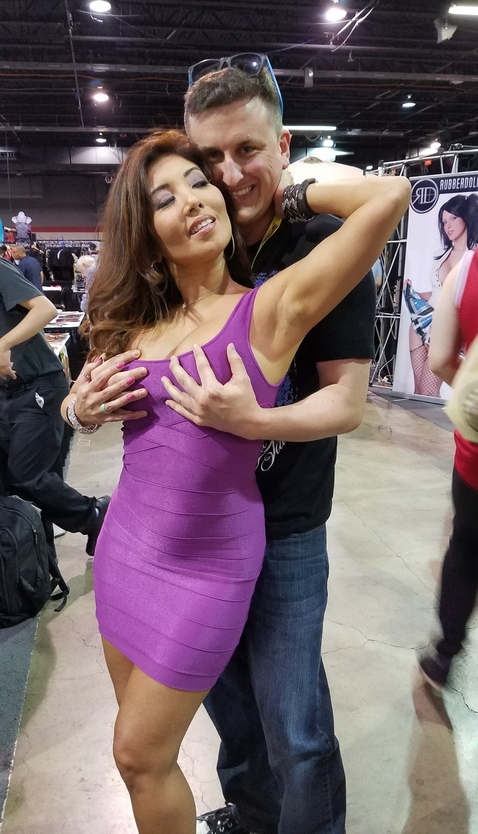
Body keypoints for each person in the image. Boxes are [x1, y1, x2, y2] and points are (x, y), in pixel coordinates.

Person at [61, 128, 409, 834]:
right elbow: (78, 395)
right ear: (145, 232)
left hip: (209, 564)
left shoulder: (270, 307)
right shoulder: (133, 322)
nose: (194, 200)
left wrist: (287, 193)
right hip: (125, 550)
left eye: (200, 184)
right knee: (140, 755)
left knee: (138, 752)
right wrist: (79, 409)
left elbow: (391, 196)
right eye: (166, 198)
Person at [0, 257, 109, 558]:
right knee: (12, 485)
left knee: (29, 476)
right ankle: (36, 563)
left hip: (37, 387)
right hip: (7, 393)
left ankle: (94, 515)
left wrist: (3, 344)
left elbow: (45, 309)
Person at [419, 247, 478, 690]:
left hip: (476, 454)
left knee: (466, 546)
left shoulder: (467, 270)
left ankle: (445, 653)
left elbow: (439, 359)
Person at [404, 193, 478, 397]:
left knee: (428, 393)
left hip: (446, 331)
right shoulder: (440, 254)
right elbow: (437, 292)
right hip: (421, 325)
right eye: (444, 221)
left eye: (453, 218)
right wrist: (412, 292)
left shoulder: (475, 257)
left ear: (466, 217)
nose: (448, 225)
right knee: (419, 393)